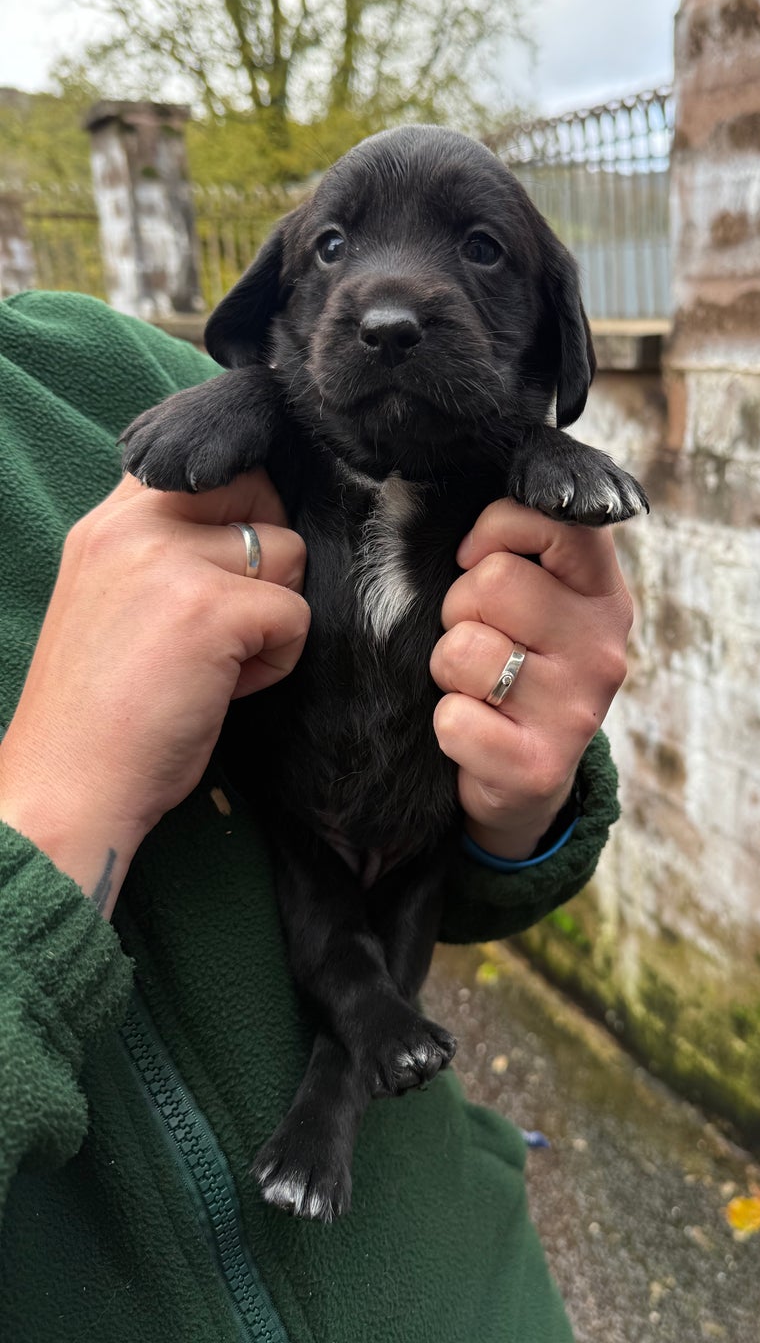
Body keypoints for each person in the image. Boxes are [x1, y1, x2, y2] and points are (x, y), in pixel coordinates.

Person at [0, 289, 633, 1342]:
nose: (387, 298)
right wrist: (54, 814)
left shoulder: (96, 364)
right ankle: (340, 1088)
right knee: (344, 950)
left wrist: (529, 801)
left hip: (478, 1288)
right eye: (338, 249)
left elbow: (479, 874)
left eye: (476, 256)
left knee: (383, 957)